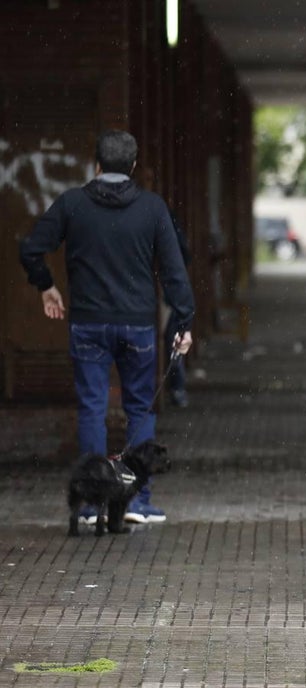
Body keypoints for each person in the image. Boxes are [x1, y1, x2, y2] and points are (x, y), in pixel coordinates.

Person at [19, 130, 194, 524]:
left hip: (88, 325)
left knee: (93, 410)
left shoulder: (72, 204)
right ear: (132, 167)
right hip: (137, 327)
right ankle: (136, 500)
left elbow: (30, 248)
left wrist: (46, 286)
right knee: (139, 408)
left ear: (95, 165)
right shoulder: (152, 208)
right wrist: (183, 321)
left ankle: (92, 502)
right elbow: (173, 271)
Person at [164, 212, 192, 409]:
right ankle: (177, 388)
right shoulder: (163, 215)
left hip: (162, 291)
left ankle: (177, 387)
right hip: (169, 290)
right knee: (173, 339)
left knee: (171, 339)